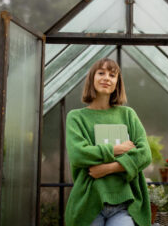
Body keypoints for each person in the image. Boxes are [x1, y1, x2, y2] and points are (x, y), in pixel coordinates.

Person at [65, 58, 152, 226]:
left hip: (124, 205)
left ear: (117, 83)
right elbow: (78, 154)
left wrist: (107, 168)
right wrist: (117, 149)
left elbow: (144, 154)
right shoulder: (76, 117)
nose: (106, 78)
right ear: (92, 78)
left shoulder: (128, 115)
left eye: (112, 75)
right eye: (101, 73)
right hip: (88, 203)